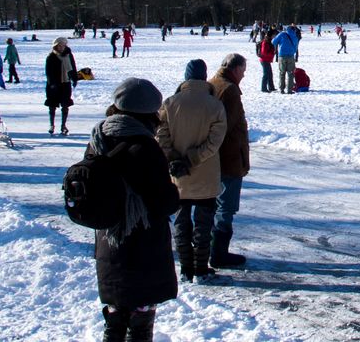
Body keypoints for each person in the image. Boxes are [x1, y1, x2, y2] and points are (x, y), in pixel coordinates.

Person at [89, 77, 180, 341]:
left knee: (115, 318)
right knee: (140, 321)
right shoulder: (144, 146)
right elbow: (163, 202)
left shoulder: (98, 137)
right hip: (142, 247)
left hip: (108, 240)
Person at [156, 59, 228, 283]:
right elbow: (215, 141)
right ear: (204, 77)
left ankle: (186, 268)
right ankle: (200, 267)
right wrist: (193, 158)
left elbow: (161, 136)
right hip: (205, 174)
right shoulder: (215, 105)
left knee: (181, 222)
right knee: (204, 225)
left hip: (178, 176)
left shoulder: (169, 103)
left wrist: (175, 160)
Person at [207, 54, 251, 267]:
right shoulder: (230, 90)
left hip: (215, 158)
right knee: (226, 206)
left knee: (213, 204)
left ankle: (209, 249)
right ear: (235, 69)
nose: (244, 75)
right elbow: (225, 125)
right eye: (243, 70)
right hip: (229, 157)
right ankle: (218, 253)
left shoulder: (212, 83)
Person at [44, 37, 78, 136]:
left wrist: (74, 78)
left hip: (65, 83)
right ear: (56, 46)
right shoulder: (51, 57)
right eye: (59, 46)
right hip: (54, 84)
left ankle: (63, 125)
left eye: (63, 45)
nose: (61, 47)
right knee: (52, 105)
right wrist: (52, 83)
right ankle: (52, 124)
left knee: (65, 105)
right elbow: (48, 72)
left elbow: (73, 67)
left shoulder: (69, 55)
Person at [271, 24, 300, 94]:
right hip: (291, 56)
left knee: (282, 73)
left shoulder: (282, 34)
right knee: (290, 73)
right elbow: (296, 47)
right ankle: (289, 90)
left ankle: (281, 89)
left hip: (282, 56)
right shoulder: (295, 36)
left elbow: (273, 42)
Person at [257, 28, 277, 93]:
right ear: (271, 35)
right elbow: (264, 52)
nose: (275, 36)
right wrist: (272, 53)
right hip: (264, 60)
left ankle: (271, 87)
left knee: (270, 74)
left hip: (266, 60)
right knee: (266, 74)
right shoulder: (265, 42)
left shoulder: (268, 41)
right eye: (274, 35)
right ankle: (263, 88)